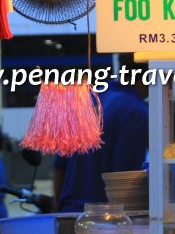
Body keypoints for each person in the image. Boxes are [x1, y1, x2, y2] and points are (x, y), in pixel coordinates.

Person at [53, 54, 149, 212]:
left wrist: (58, 210)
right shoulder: (135, 112)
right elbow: (125, 180)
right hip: (104, 220)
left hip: (69, 214)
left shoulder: (84, 101)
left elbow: (59, 168)